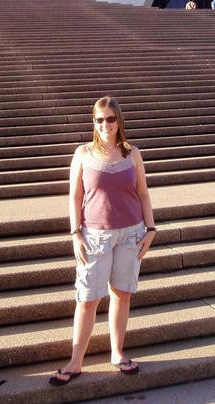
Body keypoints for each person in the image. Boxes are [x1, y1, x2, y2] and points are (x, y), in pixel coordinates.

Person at [49, 96, 156, 385]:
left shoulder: (132, 153)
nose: (105, 124)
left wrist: (151, 228)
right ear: (93, 123)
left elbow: (143, 193)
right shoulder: (83, 153)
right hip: (94, 235)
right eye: (99, 119)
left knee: (122, 294)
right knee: (88, 298)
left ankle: (117, 352)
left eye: (110, 118)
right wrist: (75, 233)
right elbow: (75, 196)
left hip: (131, 233)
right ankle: (75, 361)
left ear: (119, 120)